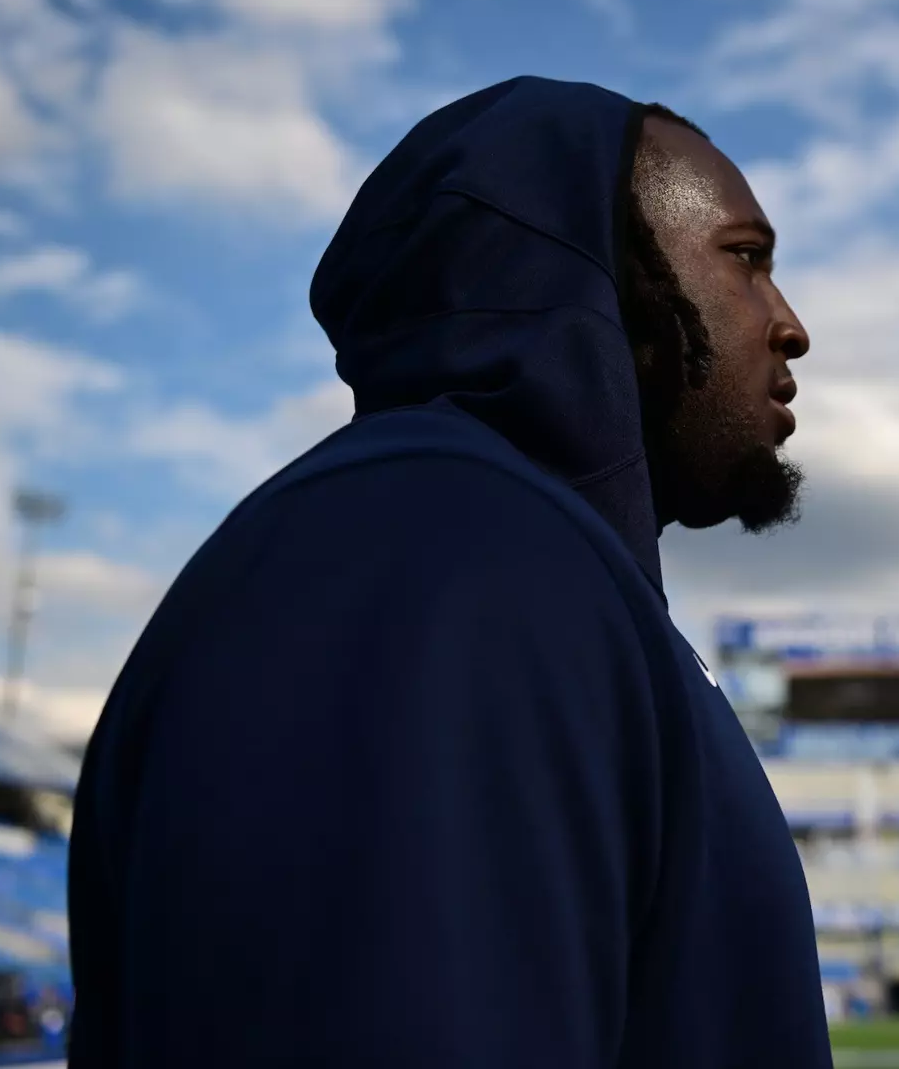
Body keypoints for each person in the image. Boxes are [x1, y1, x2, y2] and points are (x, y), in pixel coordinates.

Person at [67, 76, 826, 1068]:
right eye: (747, 259)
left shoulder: (531, 565)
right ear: (606, 274)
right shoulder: (438, 547)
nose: (790, 321)